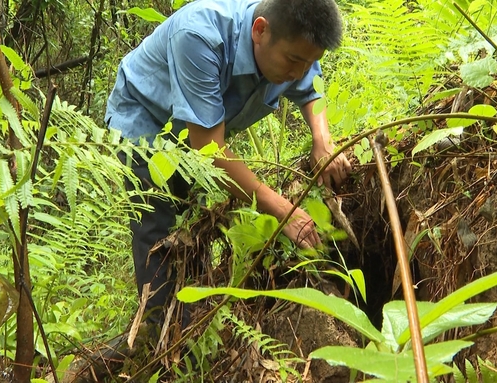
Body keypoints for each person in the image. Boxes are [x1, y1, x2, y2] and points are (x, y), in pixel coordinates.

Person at [105, 0, 352, 328]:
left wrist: (322, 141)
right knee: (159, 233)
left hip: (200, 133)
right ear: (259, 31)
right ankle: (164, 338)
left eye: (309, 62)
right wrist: (282, 209)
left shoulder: (293, 47)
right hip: (147, 124)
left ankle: (198, 314)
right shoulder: (199, 37)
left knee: (191, 220)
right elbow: (209, 148)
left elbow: (311, 88)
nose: (298, 73)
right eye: (293, 61)